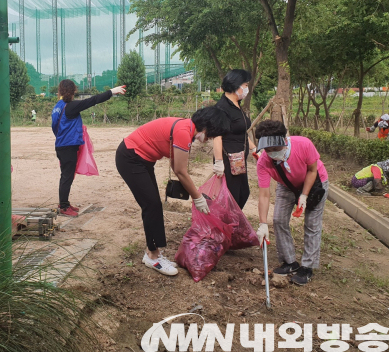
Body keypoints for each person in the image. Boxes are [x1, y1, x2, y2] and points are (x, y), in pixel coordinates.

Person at [116, 107, 231, 276]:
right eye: (211, 136)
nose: (208, 140)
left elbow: (175, 163)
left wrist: (193, 192)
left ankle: (153, 251)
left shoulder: (188, 130)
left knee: (153, 205)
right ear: (207, 127)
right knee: (152, 205)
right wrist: (197, 198)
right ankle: (152, 256)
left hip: (143, 160)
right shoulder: (184, 132)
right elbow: (180, 171)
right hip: (131, 158)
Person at [255, 120, 329, 285]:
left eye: (276, 149)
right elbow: (264, 195)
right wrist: (262, 224)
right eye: (268, 150)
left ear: (284, 141)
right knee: (278, 219)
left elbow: (312, 170)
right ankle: (289, 262)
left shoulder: (303, 144)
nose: (272, 153)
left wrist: (304, 195)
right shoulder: (263, 163)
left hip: (316, 181)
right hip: (286, 185)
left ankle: (307, 267)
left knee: (312, 223)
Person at [52, 79, 125, 216]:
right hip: (67, 146)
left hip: (62, 145)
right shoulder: (70, 107)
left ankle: (65, 203)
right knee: (67, 176)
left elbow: (54, 128)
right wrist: (112, 92)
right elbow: (93, 100)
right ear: (73, 91)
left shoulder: (58, 106)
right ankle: (63, 206)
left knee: (66, 175)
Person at [213, 69, 258, 210]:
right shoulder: (222, 108)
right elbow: (217, 136)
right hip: (228, 159)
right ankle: (225, 227)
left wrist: (254, 148)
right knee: (230, 197)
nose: (246, 89)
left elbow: (241, 131)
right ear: (235, 85)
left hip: (239, 159)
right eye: (245, 85)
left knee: (243, 193)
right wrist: (219, 162)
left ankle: (231, 224)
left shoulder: (237, 106)